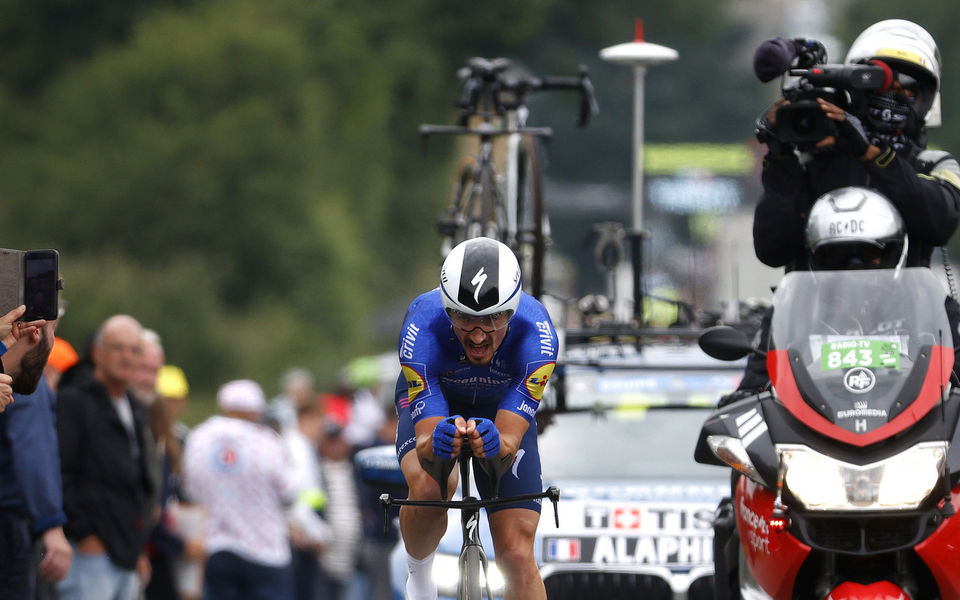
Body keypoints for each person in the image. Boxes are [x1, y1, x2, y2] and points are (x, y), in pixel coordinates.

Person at [732, 19, 960, 397]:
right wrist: (780, 156)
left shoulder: (936, 164)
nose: (898, 97)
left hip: (917, 331)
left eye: (909, 89)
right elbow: (772, 248)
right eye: (886, 86)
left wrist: (871, 153)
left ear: (927, 99)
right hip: (810, 329)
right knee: (742, 422)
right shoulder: (817, 162)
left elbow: (938, 221)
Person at [395, 237, 558, 600]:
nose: (480, 335)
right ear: (447, 308)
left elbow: (509, 443)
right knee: (430, 484)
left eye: (494, 318)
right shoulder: (421, 326)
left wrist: (496, 442)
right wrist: (437, 441)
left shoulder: (539, 338)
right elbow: (425, 445)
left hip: (500, 409)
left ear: (513, 310)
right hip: (438, 398)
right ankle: (420, 578)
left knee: (517, 552)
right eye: (466, 318)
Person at [56, 314, 156, 600]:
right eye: (118, 348)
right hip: (89, 555)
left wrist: (137, 547)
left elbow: (136, 481)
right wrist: (84, 533)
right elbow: (61, 471)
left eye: (134, 350)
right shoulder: (75, 401)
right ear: (98, 352)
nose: (126, 357)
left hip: (126, 555)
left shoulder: (134, 407)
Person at [183, 379, 298, 600]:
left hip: (216, 546)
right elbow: (288, 490)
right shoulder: (266, 441)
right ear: (255, 409)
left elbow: (190, 490)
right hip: (265, 550)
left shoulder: (198, 438)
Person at [0, 313, 73, 598]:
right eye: (53, 331)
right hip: (8, 524)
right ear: (36, 333)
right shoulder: (29, 385)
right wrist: (51, 524)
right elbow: (33, 448)